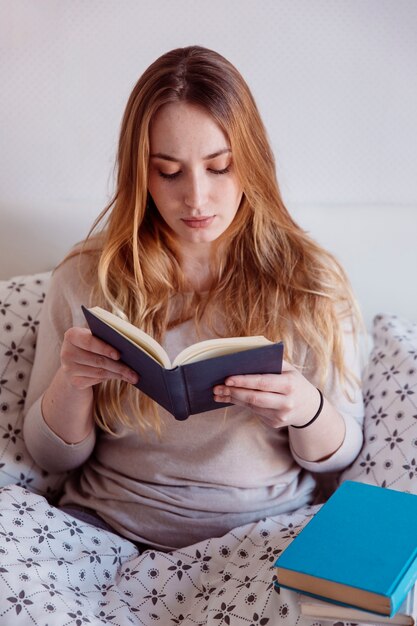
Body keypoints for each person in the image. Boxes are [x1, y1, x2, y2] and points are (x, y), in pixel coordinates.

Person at [23, 45, 364, 552]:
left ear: (251, 162)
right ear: (141, 174)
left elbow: (342, 456)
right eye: (168, 171)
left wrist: (306, 409)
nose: (197, 198)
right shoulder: (85, 277)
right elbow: (51, 458)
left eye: (220, 166)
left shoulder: (310, 280)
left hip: (264, 539)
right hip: (106, 531)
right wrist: (72, 384)